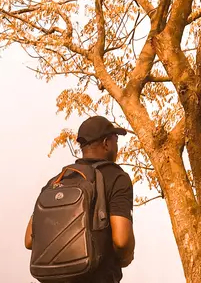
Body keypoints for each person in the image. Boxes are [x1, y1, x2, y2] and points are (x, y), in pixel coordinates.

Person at [25, 116, 136, 281]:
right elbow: (121, 241)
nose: (117, 146)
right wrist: (126, 257)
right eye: (115, 140)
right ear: (106, 143)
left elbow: (29, 240)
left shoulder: (57, 180)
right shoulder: (117, 177)